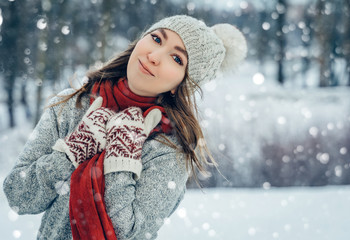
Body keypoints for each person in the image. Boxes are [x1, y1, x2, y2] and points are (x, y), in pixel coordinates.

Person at [3, 15, 247, 239]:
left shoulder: (169, 151)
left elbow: (127, 234)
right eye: (156, 38)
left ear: (180, 84)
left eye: (176, 58)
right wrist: (73, 151)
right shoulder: (72, 104)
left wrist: (122, 156)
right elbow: (19, 196)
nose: (154, 55)